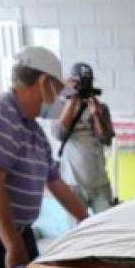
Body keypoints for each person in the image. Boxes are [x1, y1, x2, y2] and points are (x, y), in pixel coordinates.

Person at [0, 45, 88, 268]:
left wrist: (87, 221)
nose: (58, 99)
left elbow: (55, 182)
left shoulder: (33, 130)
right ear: (44, 82)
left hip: (17, 234)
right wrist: (12, 246)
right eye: (58, 90)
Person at [50, 62, 116, 215]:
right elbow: (58, 134)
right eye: (79, 83)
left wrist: (96, 114)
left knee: (106, 227)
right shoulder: (59, 107)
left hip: (99, 183)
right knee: (78, 231)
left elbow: (106, 139)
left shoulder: (101, 108)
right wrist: (71, 100)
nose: (83, 87)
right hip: (73, 184)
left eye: (87, 82)